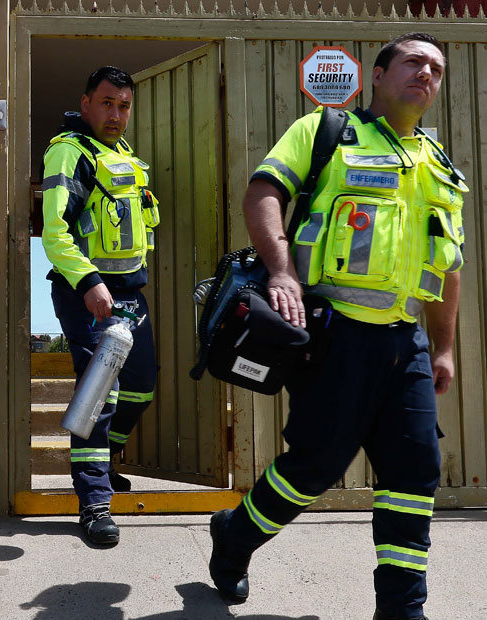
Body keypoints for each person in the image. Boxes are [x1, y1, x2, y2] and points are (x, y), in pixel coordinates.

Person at [208, 33, 465, 620]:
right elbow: (263, 194)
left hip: (407, 343)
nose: (425, 73)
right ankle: (235, 537)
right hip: (336, 336)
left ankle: (402, 609)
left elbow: (449, 267)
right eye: (412, 62)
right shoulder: (326, 132)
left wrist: (444, 350)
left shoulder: (439, 165)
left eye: (436, 67)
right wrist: (280, 274)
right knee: (314, 467)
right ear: (377, 75)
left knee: (414, 473)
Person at [41, 66, 159, 545]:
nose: (116, 115)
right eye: (107, 103)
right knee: (100, 394)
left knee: (140, 385)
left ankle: (103, 466)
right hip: (86, 292)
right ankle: (93, 504)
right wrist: (88, 281)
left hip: (128, 293)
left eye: (124, 106)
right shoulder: (70, 152)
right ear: (86, 102)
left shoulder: (122, 154)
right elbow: (55, 231)